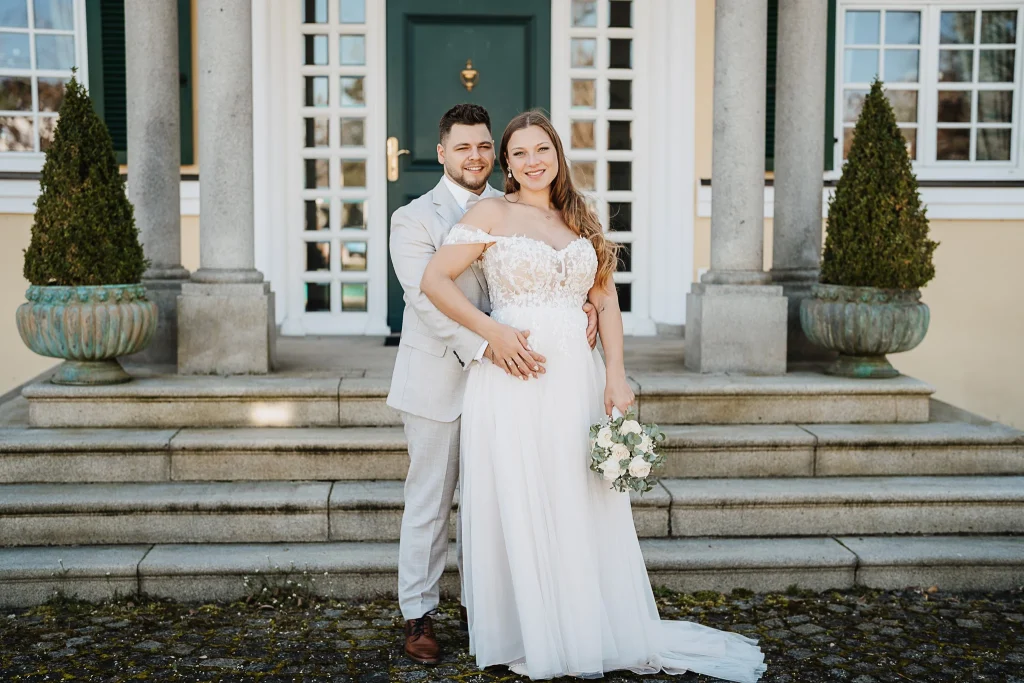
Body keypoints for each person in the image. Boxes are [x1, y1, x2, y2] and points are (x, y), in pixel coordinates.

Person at [420, 111, 767, 681]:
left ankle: (584, 624)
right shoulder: (492, 213)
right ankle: (532, 630)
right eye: (520, 153)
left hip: (577, 377)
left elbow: (604, 301)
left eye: (542, 149)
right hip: (514, 376)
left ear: (557, 154)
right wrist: (492, 332)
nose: (533, 161)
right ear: (507, 163)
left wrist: (616, 376)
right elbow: (434, 281)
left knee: (577, 495)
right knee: (525, 494)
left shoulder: (581, 217)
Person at [386, 104, 597, 665]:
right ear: (441, 153)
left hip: (515, 385)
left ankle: (492, 608)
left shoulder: (516, 204)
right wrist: (488, 343)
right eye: (462, 147)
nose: (474, 156)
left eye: (483, 146)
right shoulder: (413, 218)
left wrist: (577, 307)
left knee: (503, 499)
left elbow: (543, 271)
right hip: (441, 375)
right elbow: (423, 297)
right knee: (430, 502)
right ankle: (419, 615)